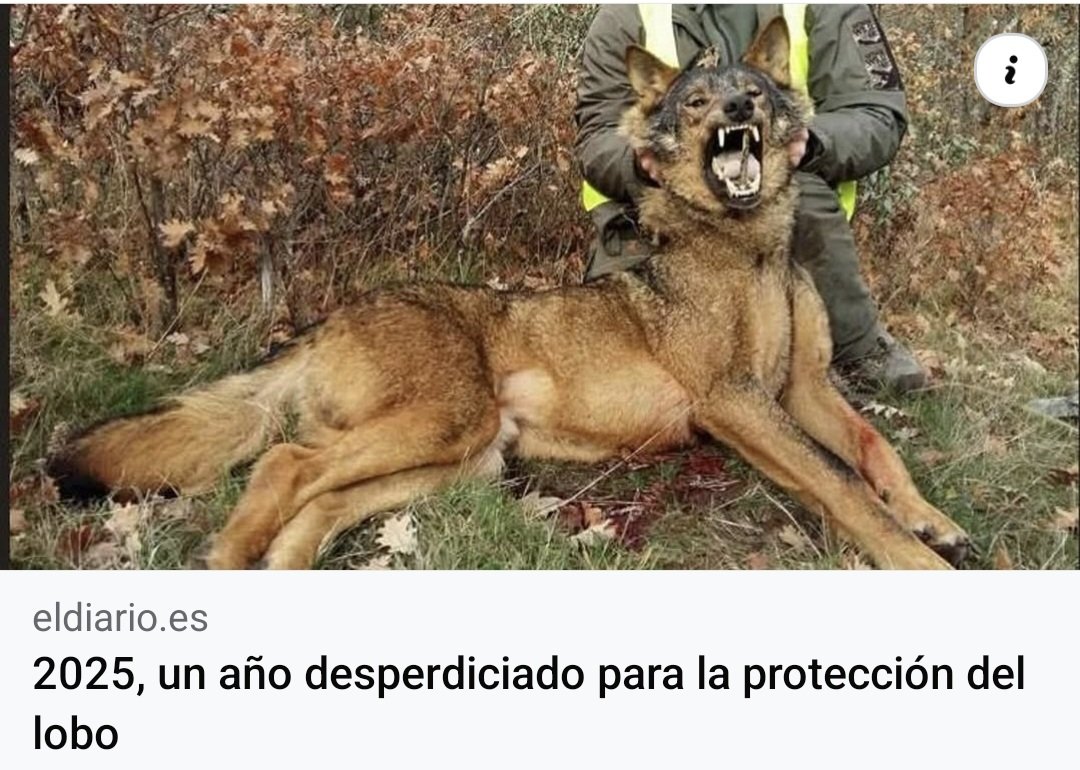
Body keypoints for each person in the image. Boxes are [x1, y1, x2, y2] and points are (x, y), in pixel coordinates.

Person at [574, 4, 928, 392]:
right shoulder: (625, 15)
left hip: (795, 223)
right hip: (655, 215)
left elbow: (877, 114)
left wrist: (813, 144)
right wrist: (641, 164)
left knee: (794, 197)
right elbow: (597, 136)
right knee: (624, 379)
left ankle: (856, 348)